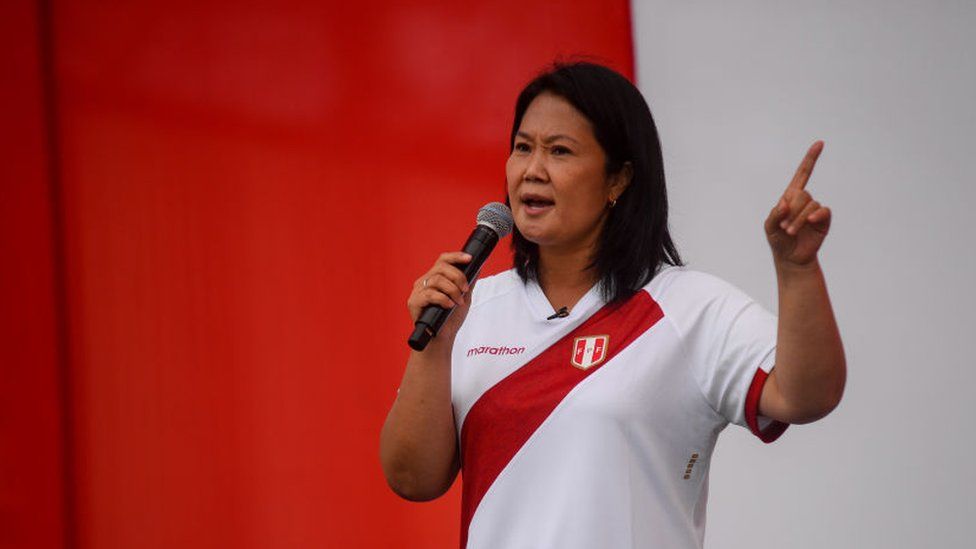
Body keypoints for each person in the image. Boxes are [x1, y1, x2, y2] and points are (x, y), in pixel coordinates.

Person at [380, 61, 845, 549]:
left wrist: (797, 271)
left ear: (618, 180)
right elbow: (412, 478)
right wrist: (434, 346)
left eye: (559, 151)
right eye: (522, 148)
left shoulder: (689, 307)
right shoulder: (473, 308)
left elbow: (805, 397)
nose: (532, 170)